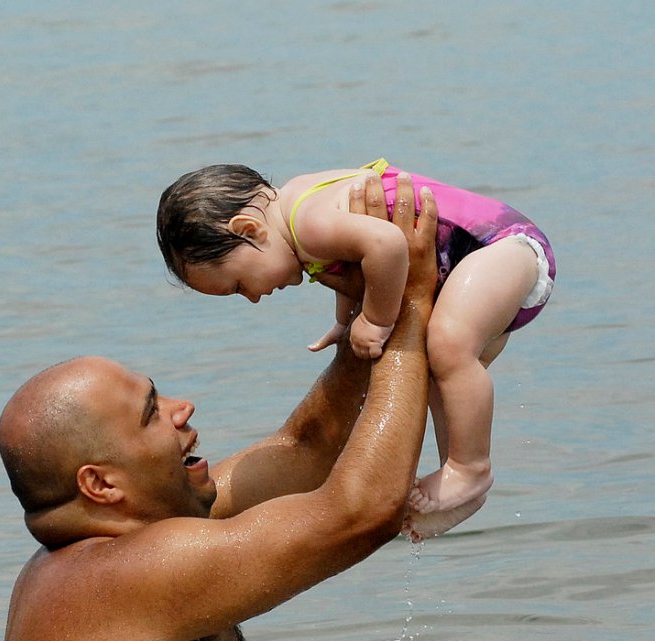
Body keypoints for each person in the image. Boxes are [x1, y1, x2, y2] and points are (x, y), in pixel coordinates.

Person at [0, 176, 461, 641]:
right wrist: (409, 306)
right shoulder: (126, 574)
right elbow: (363, 512)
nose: (185, 409)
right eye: (153, 412)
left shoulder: (132, 533)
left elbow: (303, 451)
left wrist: (364, 322)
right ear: (100, 484)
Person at [156, 159, 555, 516]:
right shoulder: (297, 217)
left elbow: (387, 245)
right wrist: (347, 320)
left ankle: (471, 468)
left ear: (250, 229)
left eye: (240, 285)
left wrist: (377, 319)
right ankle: (458, 478)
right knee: (437, 369)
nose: (255, 298)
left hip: (502, 247)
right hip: (472, 263)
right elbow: (352, 264)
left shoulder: (309, 224)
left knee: (449, 347)